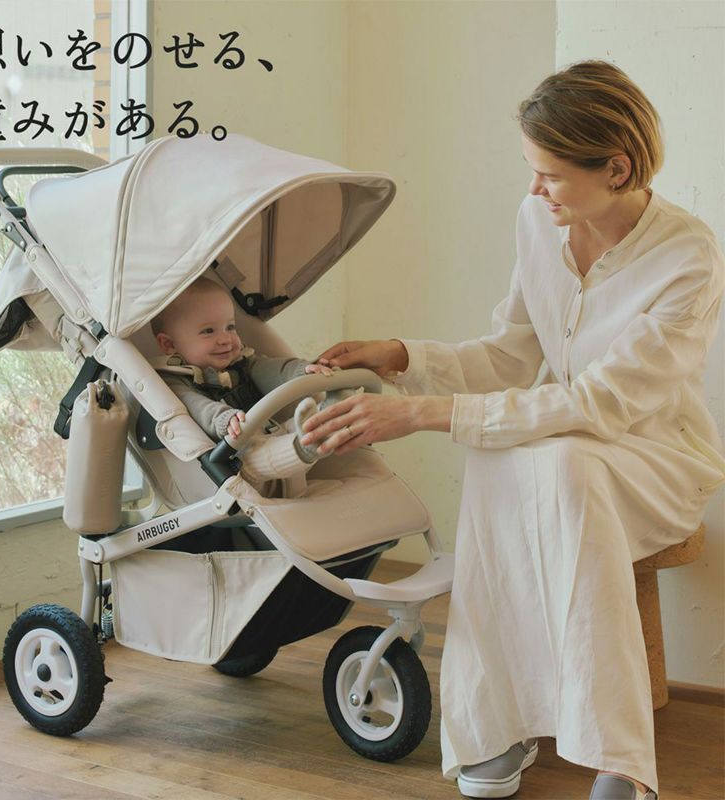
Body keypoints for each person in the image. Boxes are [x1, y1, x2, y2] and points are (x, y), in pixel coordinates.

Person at [299, 60, 725, 800]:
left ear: (617, 168)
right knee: (524, 461)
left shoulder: (687, 257)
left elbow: (602, 404)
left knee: (558, 463)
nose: (534, 190)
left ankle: (620, 759)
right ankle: (498, 724)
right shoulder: (538, 222)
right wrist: (399, 357)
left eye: (551, 175)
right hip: (568, 453)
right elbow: (509, 357)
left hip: (655, 462)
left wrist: (422, 415)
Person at [151, 277, 341, 494]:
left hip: (270, 434)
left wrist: (302, 370)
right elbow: (196, 406)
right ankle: (305, 446)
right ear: (169, 344)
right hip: (237, 461)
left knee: (292, 428)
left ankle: (327, 417)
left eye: (230, 327)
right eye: (208, 331)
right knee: (260, 452)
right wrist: (223, 418)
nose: (226, 339)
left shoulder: (243, 363)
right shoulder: (174, 382)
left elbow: (272, 369)